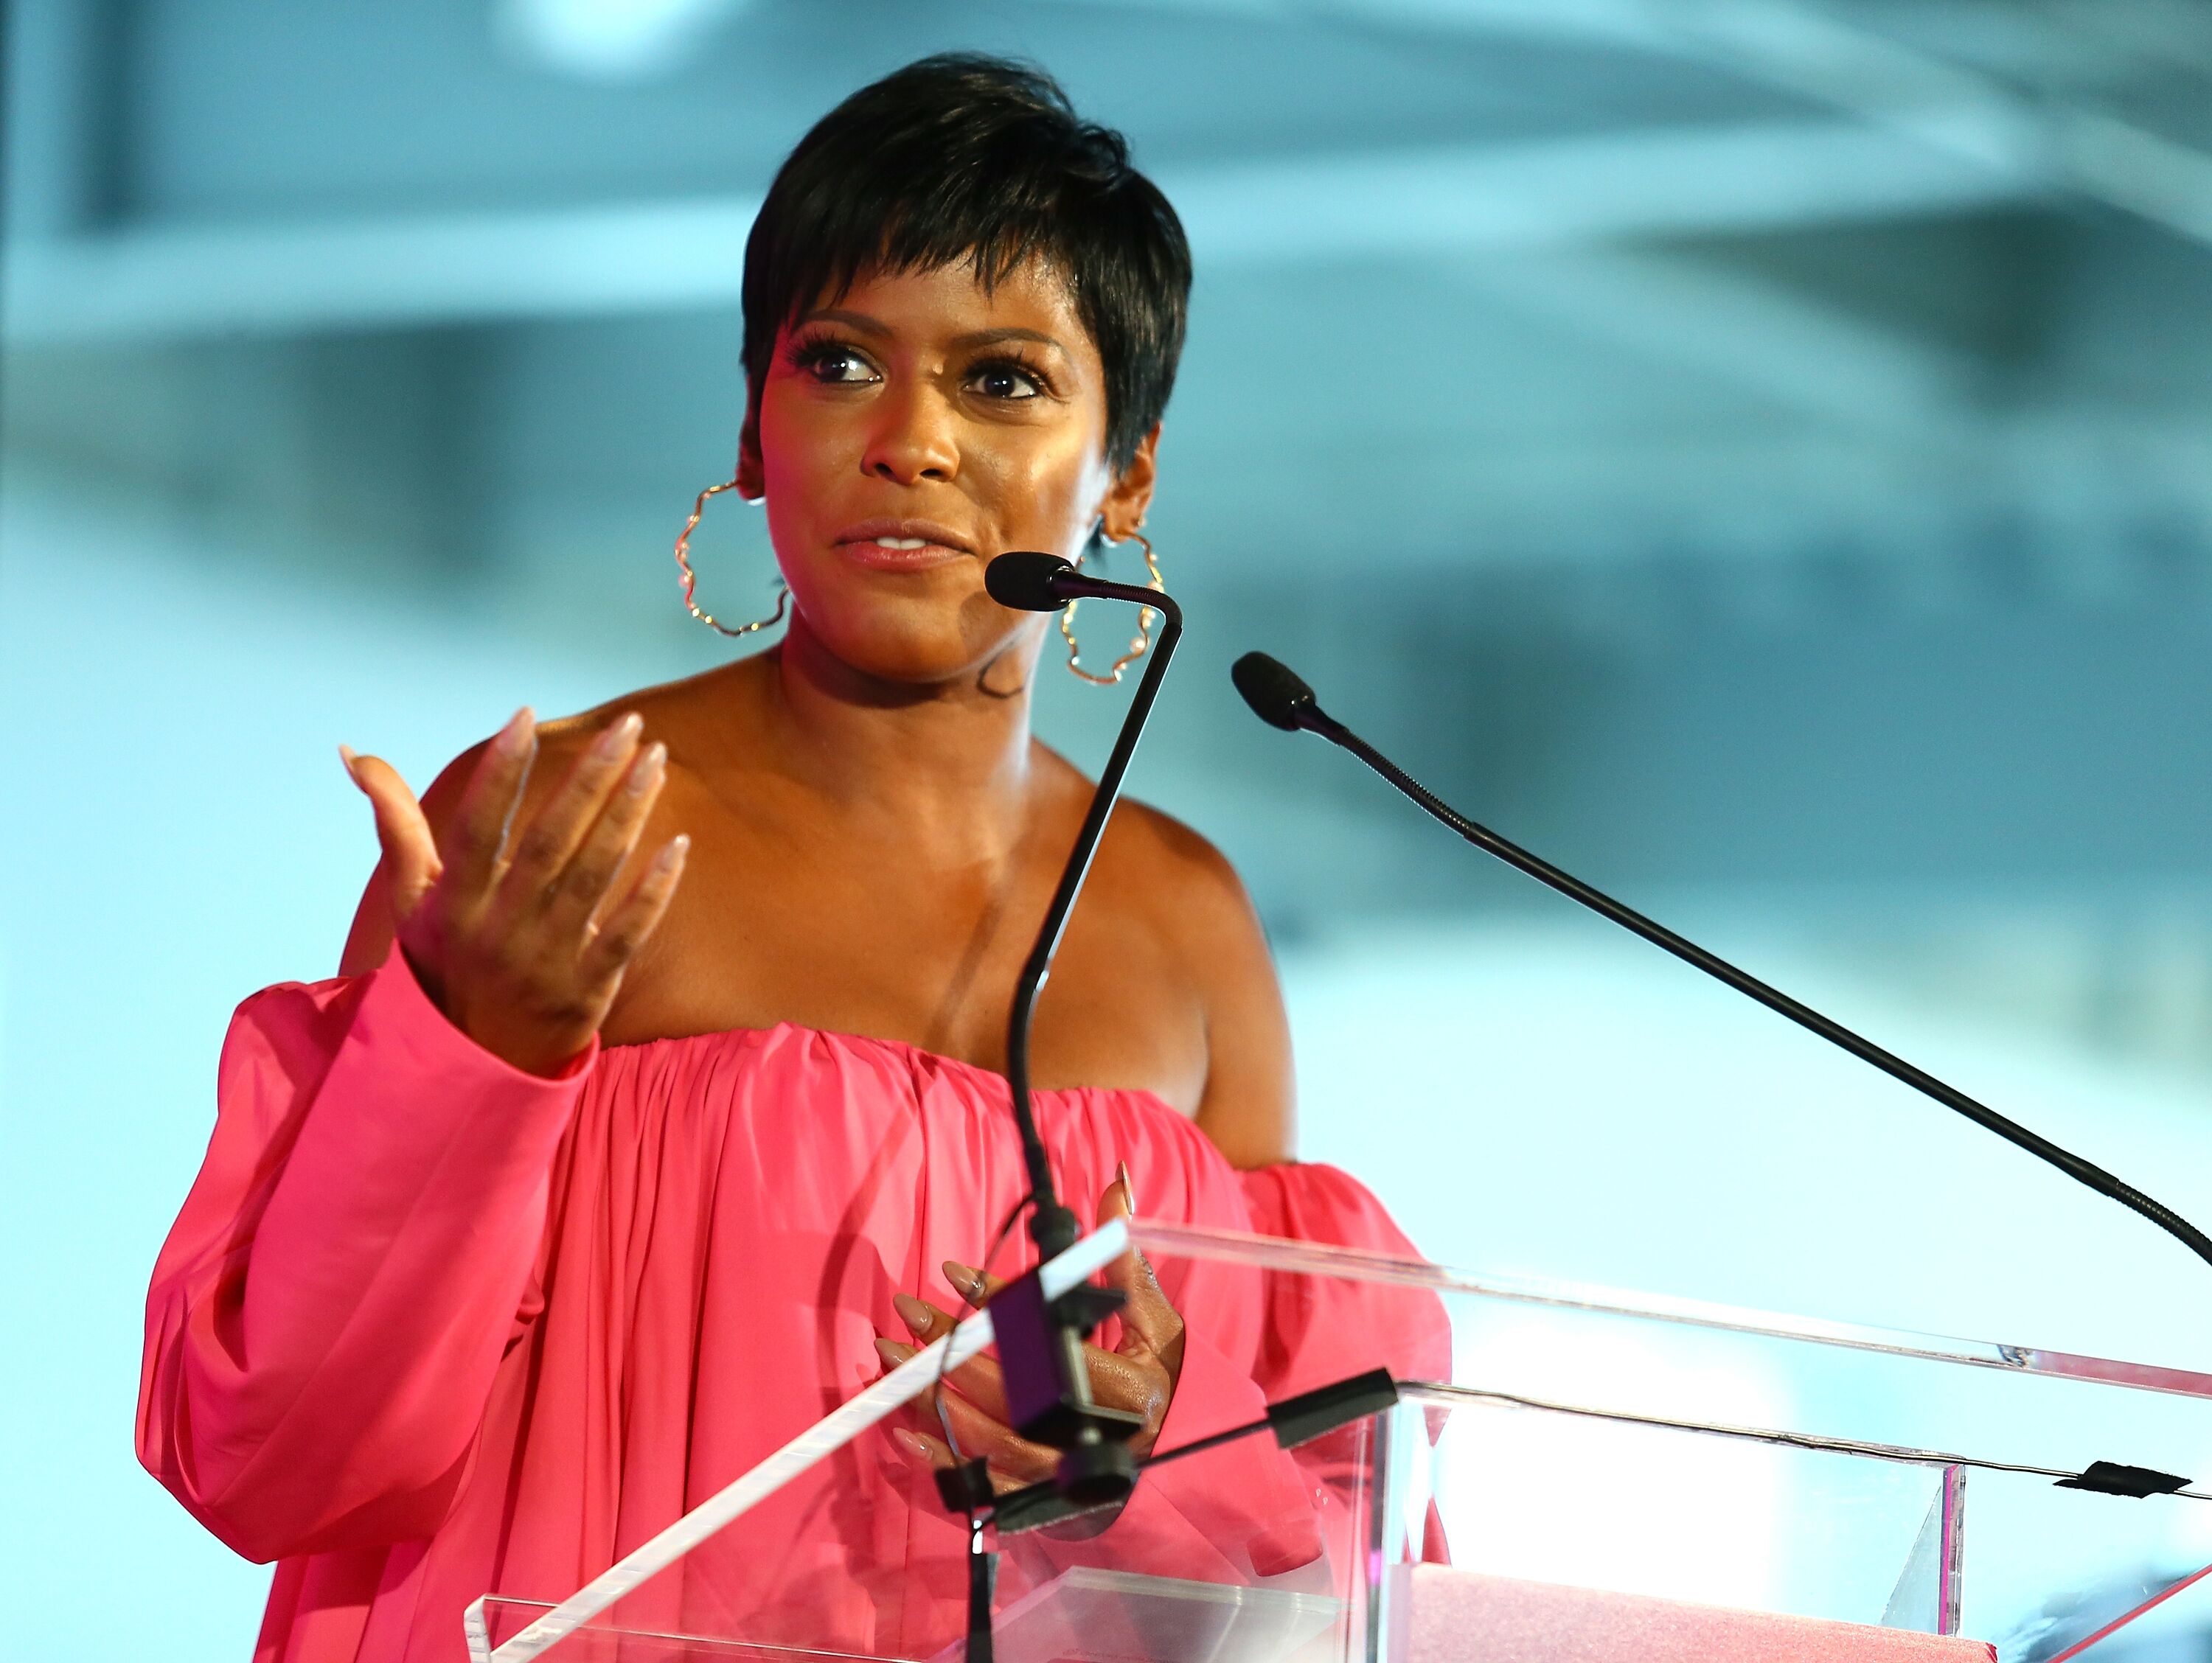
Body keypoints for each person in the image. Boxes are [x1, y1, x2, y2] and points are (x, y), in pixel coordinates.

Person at [137, 55, 1443, 1663]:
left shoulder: (1187, 927)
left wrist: (1140, 1442)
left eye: (1007, 381)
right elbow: (277, 1455)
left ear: (1133, 468)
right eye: (838, 363)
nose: (910, 441)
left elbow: (1319, 1568)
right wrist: (475, 1056)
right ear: (754, 428)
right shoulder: (562, 824)